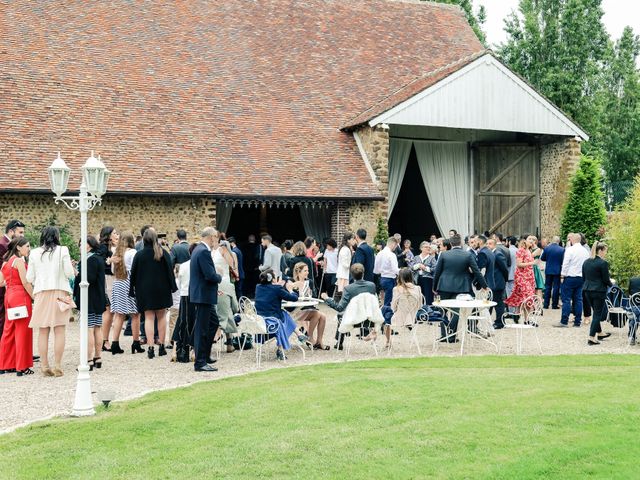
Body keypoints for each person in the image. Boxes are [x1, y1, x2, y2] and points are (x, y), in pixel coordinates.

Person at [26, 226, 75, 377]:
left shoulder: (34, 253)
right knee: (60, 329)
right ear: (57, 236)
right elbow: (70, 274)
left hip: (41, 292)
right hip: (60, 291)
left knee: (43, 330)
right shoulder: (63, 250)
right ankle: (58, 365)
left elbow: (29, 278)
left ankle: (44, 365)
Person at [129, 227, 177, 359]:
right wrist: (173, 287)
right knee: (161, 317)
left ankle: (150, 347)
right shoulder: (163, 253)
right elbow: (170, 272)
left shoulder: (139, 255)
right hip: (162, 289)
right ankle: (161, 346)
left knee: (149, 317)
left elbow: (133, 274)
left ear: (144, 240)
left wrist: (131, 290)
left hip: (144, 290)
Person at [433, 234, 487, 342]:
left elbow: (437, 272)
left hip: (444, 285)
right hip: (461, 286)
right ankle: (451, 335)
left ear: (451, 243)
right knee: (456, 312)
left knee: (442, 310)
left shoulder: (444, 255)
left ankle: (445, 335)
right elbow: (476, 271)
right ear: (461, 243)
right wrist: (484, 285)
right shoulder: (467, 255)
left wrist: (434, 287)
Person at [254, 268, 307, 361]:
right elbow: (294, 298)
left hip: (260, 322)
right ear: (273, 279)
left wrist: (277, 287)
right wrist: (290, 289)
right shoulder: (277, 289)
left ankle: (298, 334)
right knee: (284, 317)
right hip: (272, 323)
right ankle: (283, 346)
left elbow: (269, 295)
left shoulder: (258, 287)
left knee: (283, 313)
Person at [189, 227, 222, 371]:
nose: (217, 240)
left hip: (203, 294)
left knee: (213, 323)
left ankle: (205, 354)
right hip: (203, 295)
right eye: (216, 237)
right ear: (211, 237)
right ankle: (200, 362)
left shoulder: (198, 249)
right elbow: (210, 275)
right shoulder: (203, 251)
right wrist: (219, 276)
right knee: (202, 329)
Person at [0, 237, 34, 376]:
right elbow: (26, 283)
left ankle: (5, 365)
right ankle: (22, 366)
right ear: (19, 247)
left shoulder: (5, 263)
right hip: (21, 297)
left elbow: (1, 282)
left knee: (8, 331)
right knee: (22, 331)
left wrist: (11, 283)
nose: (29, 248)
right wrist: (34, 297)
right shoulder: (19, 261)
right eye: (27, 246)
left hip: (9, 297)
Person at [322, 263, 377, 346]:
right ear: (363, 273)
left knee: (341, 315)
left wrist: (327, 299)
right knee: (343, 314)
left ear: (351, 275)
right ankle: (340, 341)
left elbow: (339, 307)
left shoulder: (348, 288)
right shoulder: (372, 286)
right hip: (369, 319)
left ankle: (339, 342)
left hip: (354, 320)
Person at [73, 235, 106, 369]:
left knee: (89, 329)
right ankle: (98, 357)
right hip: (97, 298)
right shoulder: (98, 258)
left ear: (88, 245)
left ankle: (88, 359)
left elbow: (89, 279)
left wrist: (76, 273)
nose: (80, 246)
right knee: (97, 328)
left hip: (90, 299)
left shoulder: (90, 260)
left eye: (82, 244)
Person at [109, 232, 144, 355]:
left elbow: (113, 271)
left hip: (118, 282)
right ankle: (136, 342)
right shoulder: (133, 253)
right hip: (129, 282)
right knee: (135, 314)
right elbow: (137, 269)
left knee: (119, 314)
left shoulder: (116, 253)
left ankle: (114, 343)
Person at [555, 233, 590, 327]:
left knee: (566, 299)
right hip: (581, 277)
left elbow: (565, 264)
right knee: (578, 299)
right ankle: (577, 321)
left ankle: (564, 321)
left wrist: (562, 276)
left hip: (570, 277)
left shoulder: (570, 250)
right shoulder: (585, 251)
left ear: (572, 240)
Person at [291, 262, 328, 350]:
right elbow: (294, 298)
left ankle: (319, 341)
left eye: (308, 270)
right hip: (298, 309)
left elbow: (314, 295)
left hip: (309, 307)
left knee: (323, 316)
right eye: (305, 271)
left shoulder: (309, 282)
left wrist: (310, 294)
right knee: (317, 314)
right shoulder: (293, 283)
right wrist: (300, 289)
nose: (307, 272)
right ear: (298, 272)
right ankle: (310, 337)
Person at [582, 242, 613, 345]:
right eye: (605, 251)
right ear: (600, 250)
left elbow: (584, 277)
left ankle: (600, 333)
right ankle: (591, 337)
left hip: (587, 290)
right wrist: (611, 284)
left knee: (596, 312)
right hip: (598, 291)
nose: (606, 253)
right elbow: (605, 279)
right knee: (597, 314)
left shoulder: (586, 262)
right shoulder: (603, 263)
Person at [172, 243, 198, 362]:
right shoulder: (196, 264)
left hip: (184, 294)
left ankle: (181, 349)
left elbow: (180, 280)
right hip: (194, 295)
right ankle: (192, 350)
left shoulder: (183, 265)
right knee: (192, 322)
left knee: (183, 322)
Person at [0, 220, 25, 342]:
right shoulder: (2, 244)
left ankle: (16, 349)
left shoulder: (13, 245)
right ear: (11, 231)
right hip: (4, 288)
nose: (22, 235)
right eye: (20, 232)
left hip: (11, 288)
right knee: (3, 320)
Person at [388, 268, 422, 347]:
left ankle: (387, 342)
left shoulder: (396, 289)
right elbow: (420, 305)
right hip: (414, 316)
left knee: (385, 311)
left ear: (400, 277)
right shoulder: (417, 288)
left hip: (399, 318)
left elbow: (393, 307)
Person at [215, 239, 239, 353]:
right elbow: (233, 266)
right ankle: (229, 342)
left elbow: (232, 265)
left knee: (224, 310)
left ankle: (228, 342)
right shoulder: (220, 250)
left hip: (218, 282)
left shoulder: (213, 251)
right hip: (222, 283)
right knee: (228, 310)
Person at [97, 226, 119, 352]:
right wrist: (110, 260)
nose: (117, 234)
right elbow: (100, 262)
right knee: (108, 310)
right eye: (115, 233)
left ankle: (104, 339)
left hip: (111, 279)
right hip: (106, 280)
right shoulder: (103, 247)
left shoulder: (111, 247)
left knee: (110, 311)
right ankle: (104, 340)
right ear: (108, 235)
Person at [504, 237, 536, 314]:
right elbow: (519, 264)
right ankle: (524, 317)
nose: (532, 241)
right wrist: (531, 263)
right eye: (530, 239)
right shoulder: (521, 250)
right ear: (524, 241)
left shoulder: (529, 250)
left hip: (529, 277)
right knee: (527, 297)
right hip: (522, 277)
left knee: (521, 297)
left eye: (533, 239)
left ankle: (519, 316)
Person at [487, 238, 509, 329]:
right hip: (492, 282)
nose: (488, 245)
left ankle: (500, 322)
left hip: (498, 282)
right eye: (487, 244)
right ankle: (489, 321)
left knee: (499, 303)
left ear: (495, 245)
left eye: (490, 244)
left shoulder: (498, 254)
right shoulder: (490, 254)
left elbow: (504, 269)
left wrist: (504, 280)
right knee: (491, 302)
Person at [374, 237, 400, 307]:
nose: (395, 248)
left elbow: (376, 270)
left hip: (382, 279)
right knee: (388, 302)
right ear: (393, 244)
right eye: (396, 246)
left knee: (383, 300)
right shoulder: (392, 255)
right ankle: (386, 316)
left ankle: (383, 314)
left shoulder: (379, 254)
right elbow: (395, 270)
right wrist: (402, 271)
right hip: (390, 280)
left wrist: (382, 271)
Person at [540, 236, 564, 309]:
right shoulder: (562, 249)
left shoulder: (547, 248)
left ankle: (546, 305)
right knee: (556, 288)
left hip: (549, 270)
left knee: (547, 287)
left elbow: (542, 258)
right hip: (557, 270)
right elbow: (563, 260)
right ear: (558, 241)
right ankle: (554, 305)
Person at [505, 236, 518, 301]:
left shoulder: (507, 250)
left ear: (509, 242)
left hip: (509, 274)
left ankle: (511, 310)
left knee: (509, 294)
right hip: (517, 274)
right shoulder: (518, 250)